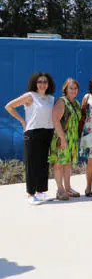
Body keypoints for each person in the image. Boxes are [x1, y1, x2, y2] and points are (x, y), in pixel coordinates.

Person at [5, 72, 56, 205]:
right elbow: (9, 106)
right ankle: (30, 193)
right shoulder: (30, 96)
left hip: (48, 131)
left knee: (43, 163)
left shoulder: (51, 98)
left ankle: (40, 192)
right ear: (35, 83)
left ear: (48, 84)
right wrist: (22, 121)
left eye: (45, 81)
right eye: (40, 81)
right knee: (32, 163)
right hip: (33, 132)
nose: (42, 84)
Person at [49, 78, 82, 201]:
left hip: (72, 138)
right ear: (65, 89)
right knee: (58, 164)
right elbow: (55, 120)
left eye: (75, 88)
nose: (73, 90)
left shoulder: (76, 103)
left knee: (67, 163)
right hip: (61, 137)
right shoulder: (61, 102)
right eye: (71, 88)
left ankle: (68, 188)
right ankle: (60, 190)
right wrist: (62, 138)